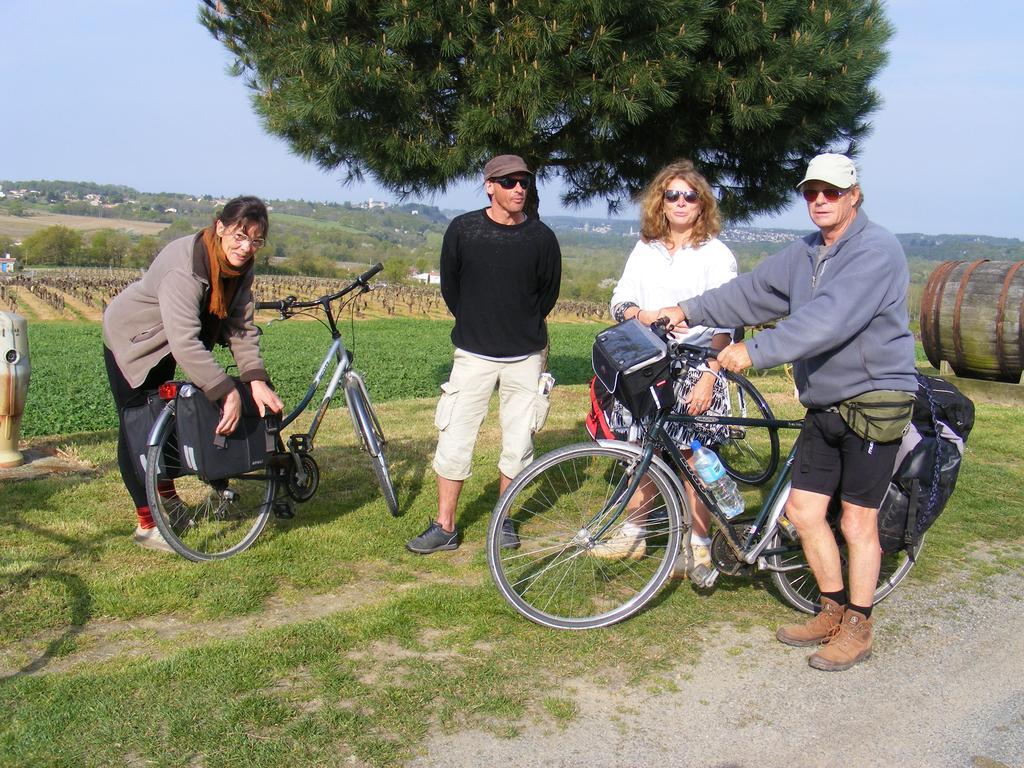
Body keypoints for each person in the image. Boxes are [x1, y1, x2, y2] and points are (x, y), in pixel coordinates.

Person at [657, 153, 917, 671]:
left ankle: (859, 626)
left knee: (858, 522)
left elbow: (829, 319)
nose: (820, 200)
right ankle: (831, 608)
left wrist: (754, 351)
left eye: (832, 192)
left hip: (874, 399)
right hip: (825, 398)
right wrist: (687, 309)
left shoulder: (876, 251)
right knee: (803, 512)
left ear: (854, 195)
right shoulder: (804, 253)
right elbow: (750, 293)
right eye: (811, 192)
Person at [103, 196, 284, 553]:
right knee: (137, 428)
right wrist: (227, 392)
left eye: (256, 240)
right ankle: (148, 524)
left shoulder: (240, 268)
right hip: (134, 342)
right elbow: (185, 341)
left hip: (168, 345)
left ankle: (167, 498)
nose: (246, 248)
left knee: (165, 421)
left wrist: (255, 379)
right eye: (238, 236)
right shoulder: (184, 267)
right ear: (220, 228)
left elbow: (241, 328)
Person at [590, 159, 737, 585]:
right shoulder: (645, 248)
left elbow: (728, 324)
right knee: (641, 449)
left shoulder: (715, 254)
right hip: (647, 361)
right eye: (672, 194)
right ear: (661, 200)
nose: (680, 202)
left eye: (689, 195)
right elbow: (619, 300)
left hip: (696, 364)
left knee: (694, 456)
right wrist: (640, 312)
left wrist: (710, 376)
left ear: (702, 203)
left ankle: (699, 547)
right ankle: (635, 532)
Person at [406, 154, 562, 554]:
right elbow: (451, 290)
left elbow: (547, 295)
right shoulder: (463, 230)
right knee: (455, 435)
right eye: (509, 182)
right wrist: (479, 324)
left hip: (525, 356)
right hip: (472, 353)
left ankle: (503, 520)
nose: (519, 190)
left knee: (519, 443)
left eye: (524, 182)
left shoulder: (542, 239)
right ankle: (445, 527)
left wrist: (518, 327)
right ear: (489, 185)